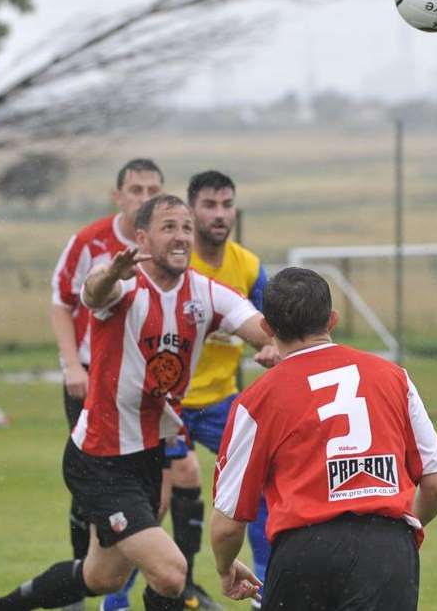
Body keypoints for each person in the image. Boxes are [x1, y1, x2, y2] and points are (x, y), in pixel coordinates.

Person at [0, 194, 279, 611]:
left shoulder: (204, 292)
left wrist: (277, 345)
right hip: (99, 457)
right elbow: (95, 293)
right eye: (169, 227)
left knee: (101, 576)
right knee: (170, 573)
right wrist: (112, 272)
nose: (182, 236)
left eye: (186, 228)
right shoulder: (123, 282)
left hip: (147, 458)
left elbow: (256, 326)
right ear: (142, 237)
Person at [211, 267, 437, 610]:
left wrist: (225, 568)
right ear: (333, 319)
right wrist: (396, 536)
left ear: (266, 328)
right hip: (388, 549)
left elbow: (227, 524)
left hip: (304, 552)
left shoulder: (256, 400)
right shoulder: (393, 377)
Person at [50, 159, 164, 610]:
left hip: (144, 391)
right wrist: (71, 367)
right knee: (90, 489)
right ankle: (85, 580)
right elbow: (60, 302)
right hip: (91, 382)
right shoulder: (89, 242)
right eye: (136, 189)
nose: (144, 197)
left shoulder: (165, 248)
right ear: (118, 196)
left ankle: (155, 585)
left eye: (153, 189)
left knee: (157, 489)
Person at [164, 170, 268, 610]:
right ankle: (120, 603)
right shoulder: (174, 264)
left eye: (227, 204)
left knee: (266, 486)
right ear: (191, 211)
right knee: (153, 504)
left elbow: (275, 329)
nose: (220, 214)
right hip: (167, 406)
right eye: (209, 205)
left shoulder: (246, 265)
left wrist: (274, 347)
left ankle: (267, 591)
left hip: (220, 403)